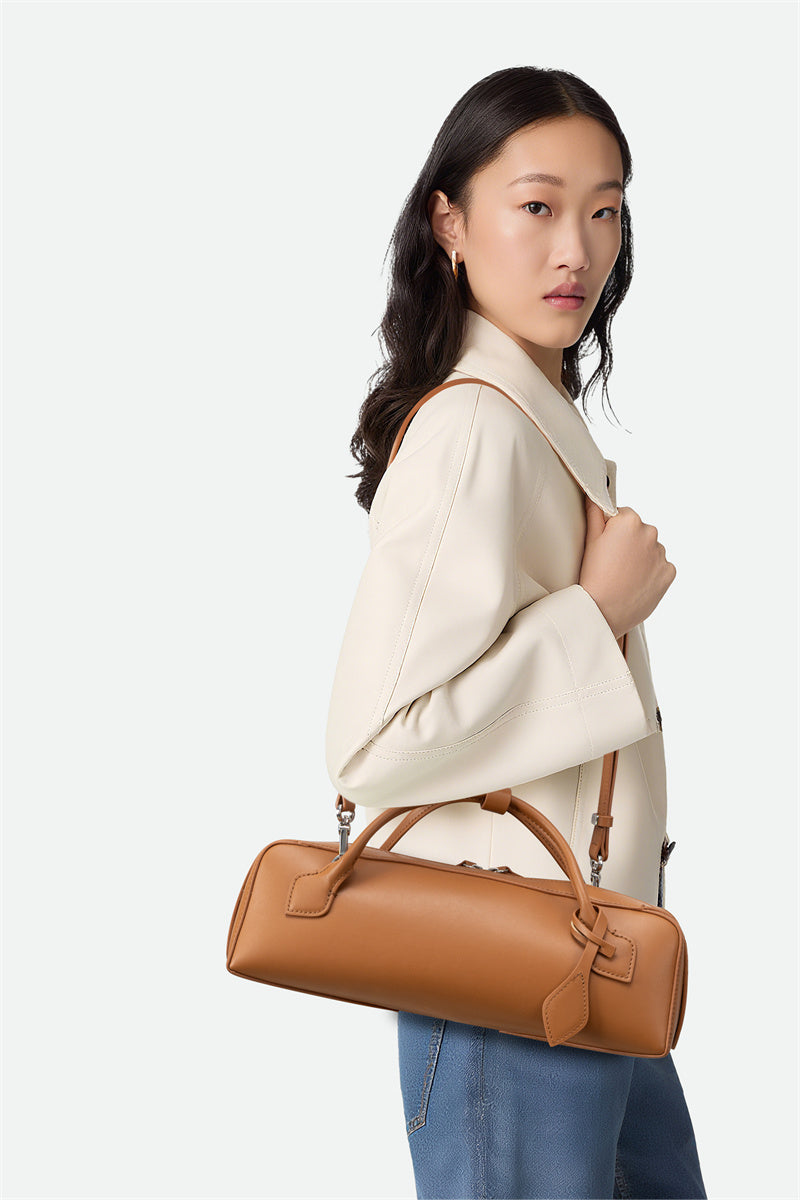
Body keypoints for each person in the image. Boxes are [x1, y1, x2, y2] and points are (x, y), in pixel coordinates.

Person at [324, 65, 707, 1200]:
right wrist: (593, 619)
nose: (575, 250)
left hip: (586, 954)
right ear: (448, 220)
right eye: (536, 206)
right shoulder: (475, 431)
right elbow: (376, 746)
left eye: (604, 208)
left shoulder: (530, 422)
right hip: (503, 973)